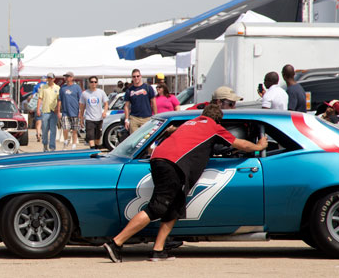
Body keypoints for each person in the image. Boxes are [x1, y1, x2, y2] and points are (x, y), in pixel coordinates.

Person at [102, 104, 267, 262]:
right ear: (218, 119)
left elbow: (176, 134)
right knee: (158, 207)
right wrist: (259, 145)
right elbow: (240, 144)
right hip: (172, 164)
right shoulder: (213, 127)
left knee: (174, 208)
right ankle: (116, 243)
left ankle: (158, 251)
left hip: (160, 159)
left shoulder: (190, 122)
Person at [123, 69, 156, 133]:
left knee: (147, 139)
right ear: (132, 77)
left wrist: (156, 116)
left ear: (141, 76)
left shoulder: (148, 88)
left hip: (147, 118)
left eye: (138, 76)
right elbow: (126, 106)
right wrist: (126, 120)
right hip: (134, 118)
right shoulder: (129, 90)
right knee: (134, 140)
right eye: (134, 76)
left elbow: (153, 103)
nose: (136, 78)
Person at [79, 76, 108, 149]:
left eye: (95, 82)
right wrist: (81, 118)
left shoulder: (101, 92)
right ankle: (92, 151)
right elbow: (82, 107)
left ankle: (96, 149)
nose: (93, 83)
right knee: (90, 136)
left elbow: (106, 103)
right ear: (89, 83)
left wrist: (104, 112)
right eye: (92, 82)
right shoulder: (85, 93)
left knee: (98, 137)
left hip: (99, 118)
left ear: (97, 83)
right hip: (89, 118)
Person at [57, 72, 82, 150]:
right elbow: (59, 100)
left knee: (74, 130)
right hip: (65, 112)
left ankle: (74, 144)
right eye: (65, 77)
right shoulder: (62, 88)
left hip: (75, 111)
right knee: (65, 128)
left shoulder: (77, 87)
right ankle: (65, 141)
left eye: (68, 77)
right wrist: (58, 111)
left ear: (72, 78)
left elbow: (81, 100)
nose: (66, 78)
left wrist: (80, 111)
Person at [36, 73, 60, 151]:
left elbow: (59, 100)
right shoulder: (43, 87)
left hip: (54, 111)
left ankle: (52, 147)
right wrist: (38, 109)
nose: (49, 79)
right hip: (45, 111)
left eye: (51, 78)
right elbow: (40, 98)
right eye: (48, 78)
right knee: (45, 129)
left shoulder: (57, 88)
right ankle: (45, 145)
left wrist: (58, 109)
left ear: (54, 79)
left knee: (53, 130)